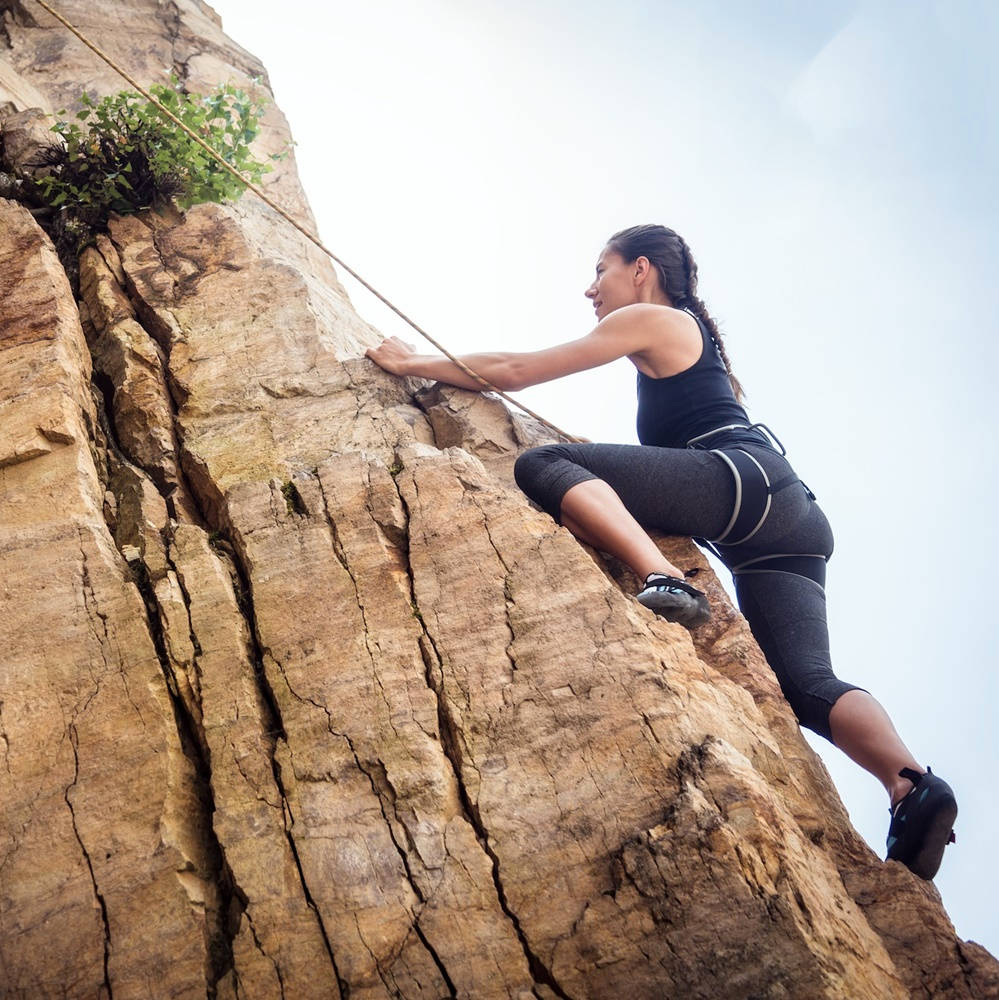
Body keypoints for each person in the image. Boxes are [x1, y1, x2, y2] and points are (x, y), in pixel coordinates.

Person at [363, 223, 957, 880]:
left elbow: (515, 372)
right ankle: (911, 785)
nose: (589, 288)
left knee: (545, 463)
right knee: (805, 686)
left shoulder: (654, 317)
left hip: (740, 484)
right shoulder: (686, 343)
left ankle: (664, 579)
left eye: (601, 269)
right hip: (783, 518)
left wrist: (410, 361)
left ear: (640, 270)